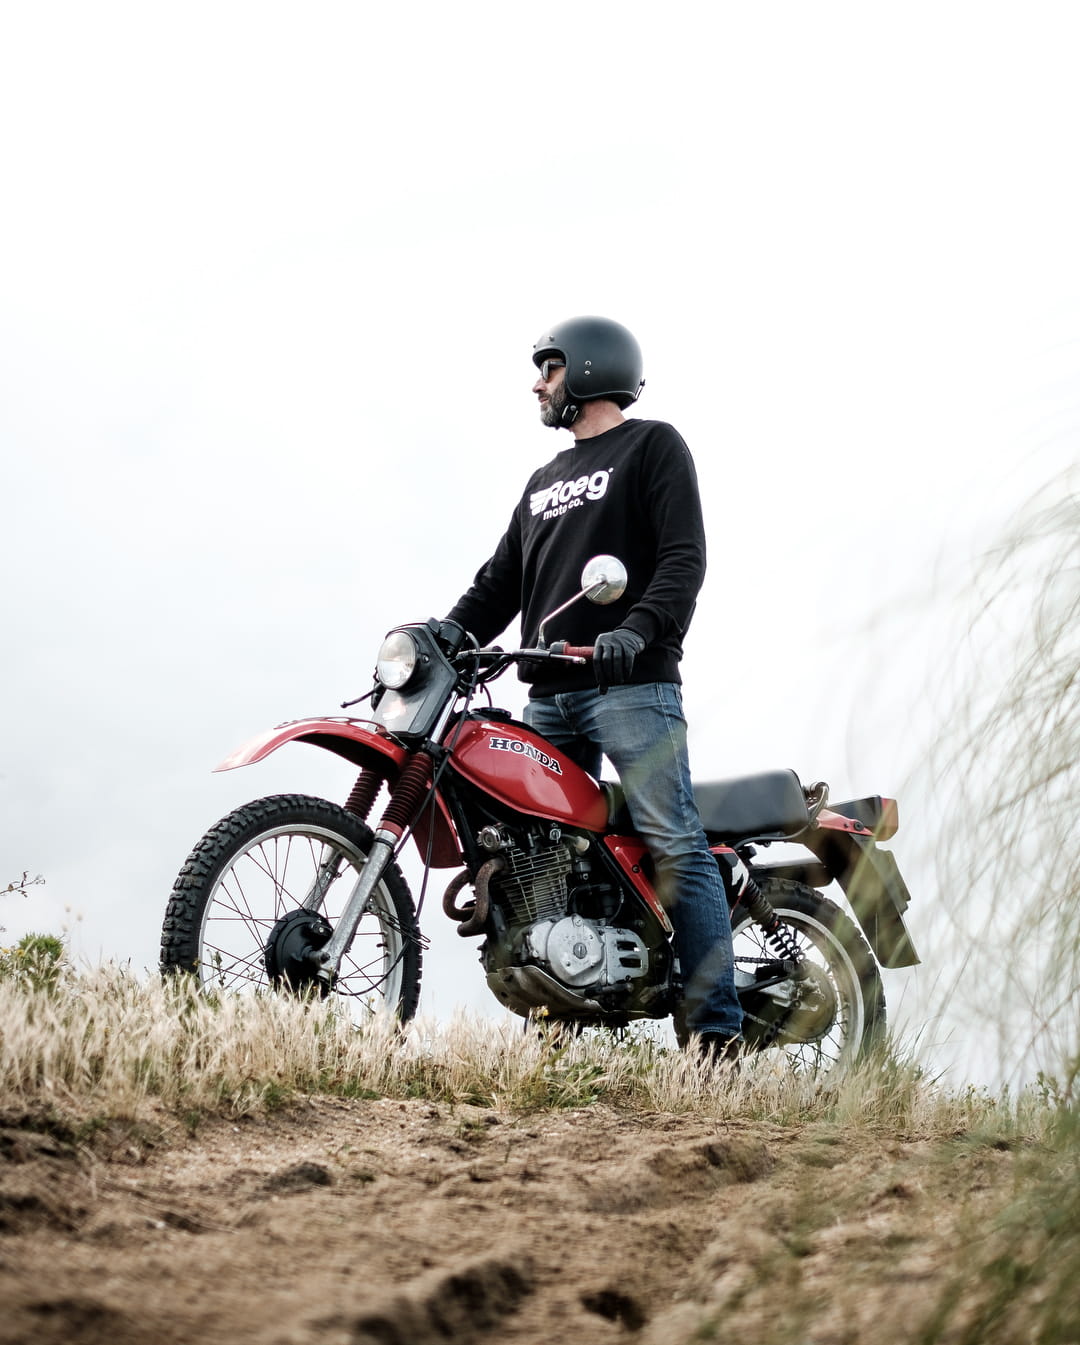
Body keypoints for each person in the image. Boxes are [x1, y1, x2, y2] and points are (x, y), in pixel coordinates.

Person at [445, 315, 743, 1057]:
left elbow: (683, 559)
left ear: (586, 368)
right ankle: (561, 1020)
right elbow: (499, 583)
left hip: (630, 685)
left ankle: (716, 1031)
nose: (537, 385)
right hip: (548, 695)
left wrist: (636, 630)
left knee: (674, 839)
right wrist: (445, 635)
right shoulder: (543, 482)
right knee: (540, 853)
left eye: (547, 369)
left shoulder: (652, 445)